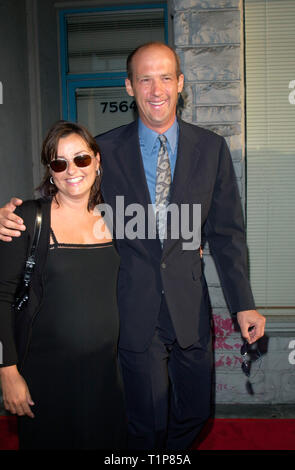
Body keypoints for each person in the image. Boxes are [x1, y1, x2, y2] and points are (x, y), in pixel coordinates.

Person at [0, 42, 265, 450]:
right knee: (146, 423)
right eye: (144, 79)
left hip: (188, 307)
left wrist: (243, 303)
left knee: (196, 413)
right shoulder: (103, 151)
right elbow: (72, 196)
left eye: (164, 78)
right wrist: (14, 214)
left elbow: (227, 234)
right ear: (129, 87)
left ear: (180, 84)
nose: (155, 89)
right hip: (132, 310)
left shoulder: (212, 149)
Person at [0, 121, 127, 449]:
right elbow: (1, 297)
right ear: (51, 171)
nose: (72, 170)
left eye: (81, 159)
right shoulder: (27, 219)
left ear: (97, 160)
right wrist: (8, 372)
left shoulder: (118, 218)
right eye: (60, 163)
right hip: (45, 379)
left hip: (107, 378)